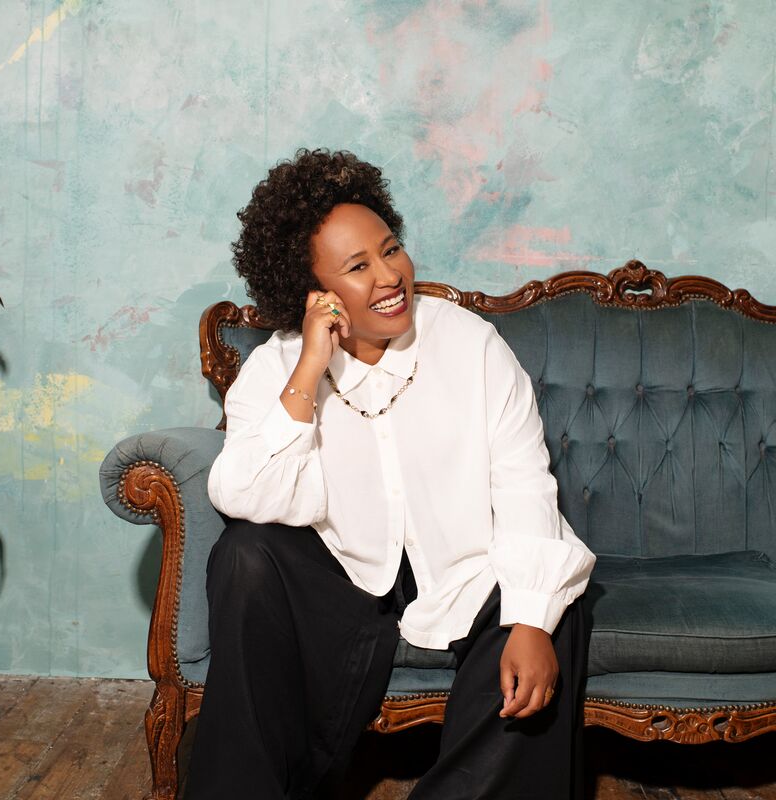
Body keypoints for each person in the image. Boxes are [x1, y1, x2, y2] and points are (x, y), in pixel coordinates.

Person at [185, 148, 596, 799]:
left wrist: (531, 622)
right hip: (344, 573)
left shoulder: (469, 343)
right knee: (244, 554)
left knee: (552, 607)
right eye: (358, 266)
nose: (390, 275)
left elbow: (524, 483)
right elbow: (240, 493)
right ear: (313, 294)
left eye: (391, 249)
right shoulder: (280, 367)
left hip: (467, 566)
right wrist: (308, 373)